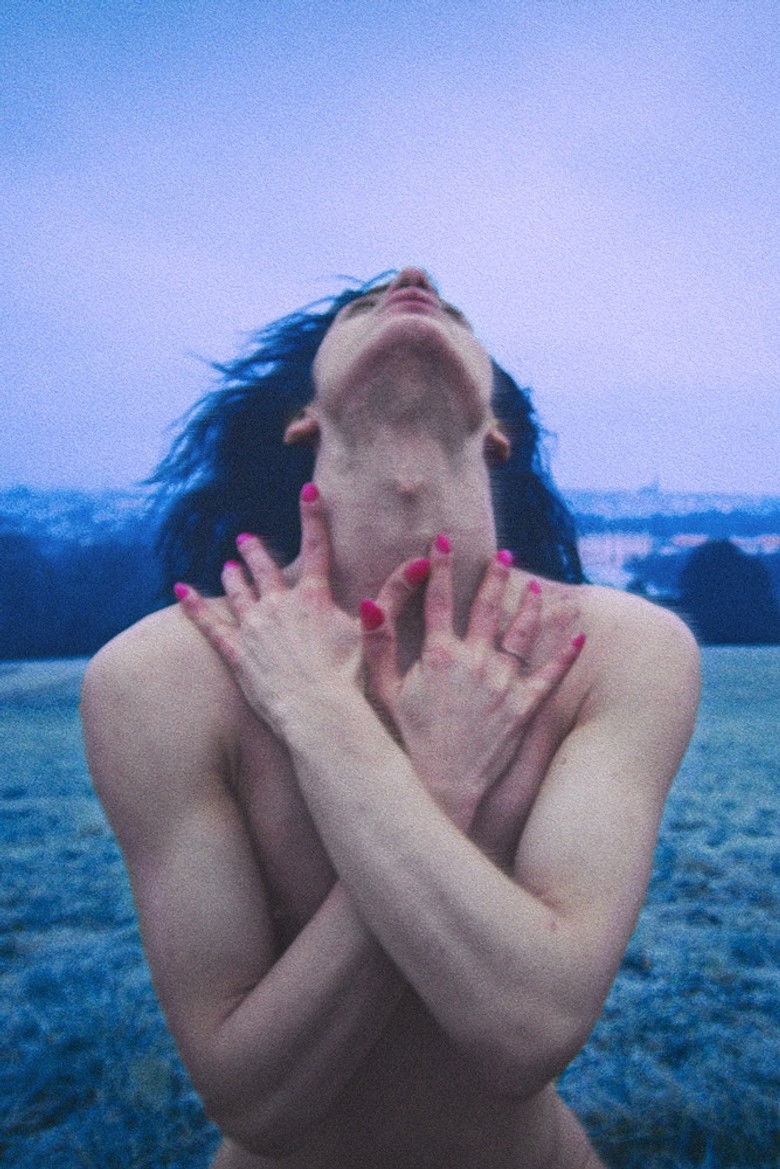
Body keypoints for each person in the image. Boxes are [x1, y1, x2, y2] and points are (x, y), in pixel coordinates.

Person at [81, 267, 700, 1169]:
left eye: (455, 310)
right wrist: (429, 790)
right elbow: (254, 1099)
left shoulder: (617, 652)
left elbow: (528, 1029)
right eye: (362, 306)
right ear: (304, 416)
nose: (416, 281)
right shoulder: (158, 677)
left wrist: (321, 716)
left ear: (497, 429)